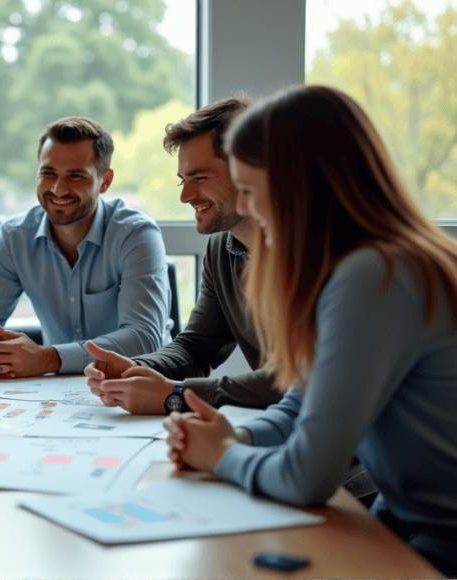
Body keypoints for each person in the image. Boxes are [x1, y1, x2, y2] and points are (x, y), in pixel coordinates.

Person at [163, 85, 457, 577]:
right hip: (403, 518)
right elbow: (298, 407)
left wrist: (223, 456)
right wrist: (228, 434)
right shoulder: (350, 265)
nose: (250, 212)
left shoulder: (376, 275)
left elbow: (306, 477)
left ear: (299, 185)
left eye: (251, 192)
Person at [85, 97, 284, 414]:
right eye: (183, 180)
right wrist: (135, 368)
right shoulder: (222, 249)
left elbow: (302, 381)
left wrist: (177, 394)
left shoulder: (313, 253)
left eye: (200, 178)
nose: (185, 196)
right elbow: (197, 346)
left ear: (248, 171)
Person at [0, 116, 170, 378]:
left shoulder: (135, 235)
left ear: (105, 181)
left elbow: (144, 338)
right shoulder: (16, 237)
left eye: (75, 176)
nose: (58, 189)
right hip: (56, 391)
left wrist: (47, 359)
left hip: (137, 383)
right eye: (48, 173)